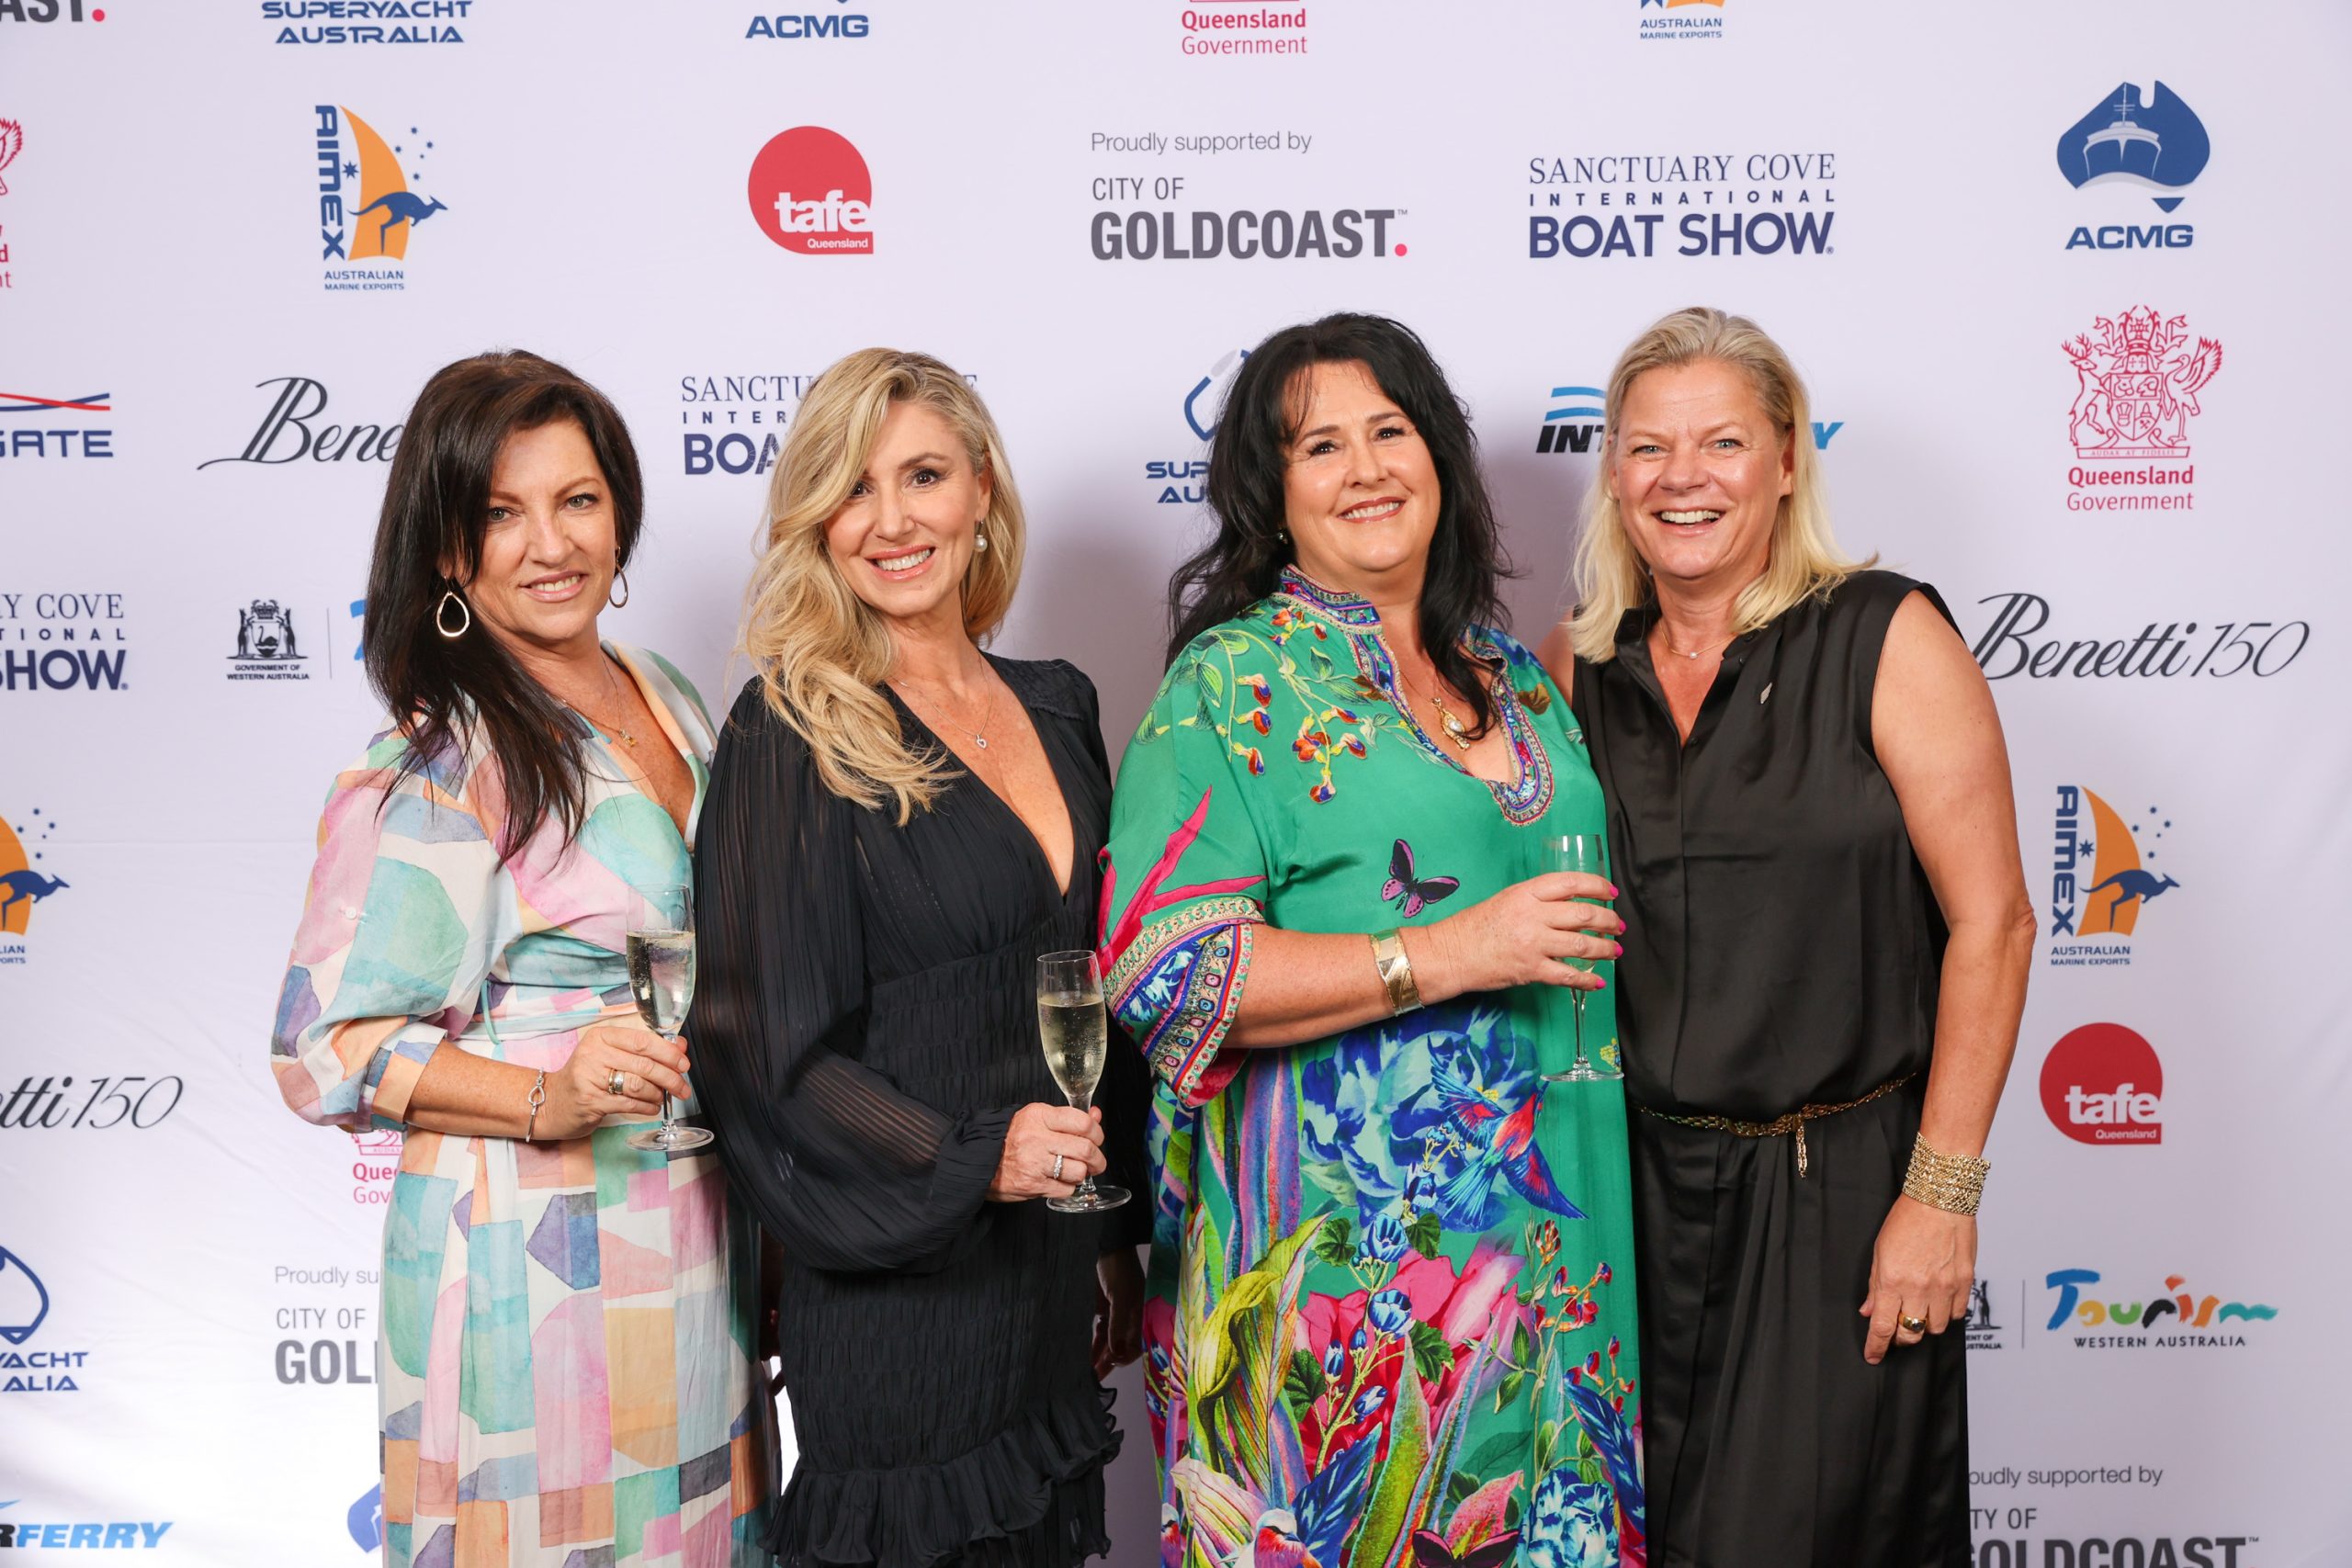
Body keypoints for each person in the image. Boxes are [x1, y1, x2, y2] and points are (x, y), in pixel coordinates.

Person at [1103, 314, 1645, 1568]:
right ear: (1271, 495)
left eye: (1390, 431)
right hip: (1358, 1287)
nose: (1366, 469)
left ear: (1440, 456)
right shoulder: (1230, 686)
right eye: (1320, 447)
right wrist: (1452, 952)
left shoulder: (1516, 674)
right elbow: (1164, 972)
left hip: (1565, 1254)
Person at [1537, 307, 2035, 1567]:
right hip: (1623, 1202)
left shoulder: (1885, 634)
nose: (1684, 477)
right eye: (1649, 447)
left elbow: (1995, 922)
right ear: (1614, 475)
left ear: (1785, 462)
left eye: (1722, 442)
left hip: (1836, 1199)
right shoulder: (1572, 669)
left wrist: (1941, 1196)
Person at [271, 350, 772, 1567]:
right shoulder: (444, 762)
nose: (552, 544)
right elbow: (321, 1049)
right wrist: (549, 1096)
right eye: (503, 513)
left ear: (620, 512)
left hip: (692, 1228)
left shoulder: (663, 691)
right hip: (530, 1264)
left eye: (578, 500)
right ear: (450, 549)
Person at [687, 349, 1150, 1568]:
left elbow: (1093, 988)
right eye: (854, 488)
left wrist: (1111, 1235)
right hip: (903, 1293)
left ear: (982, 488)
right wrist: (978, 1158)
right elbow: (770, 1058)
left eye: (924, 476)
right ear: (817, 523)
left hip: (1047, 1276)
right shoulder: (790, 730)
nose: (892, 520)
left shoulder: (1060, 703)